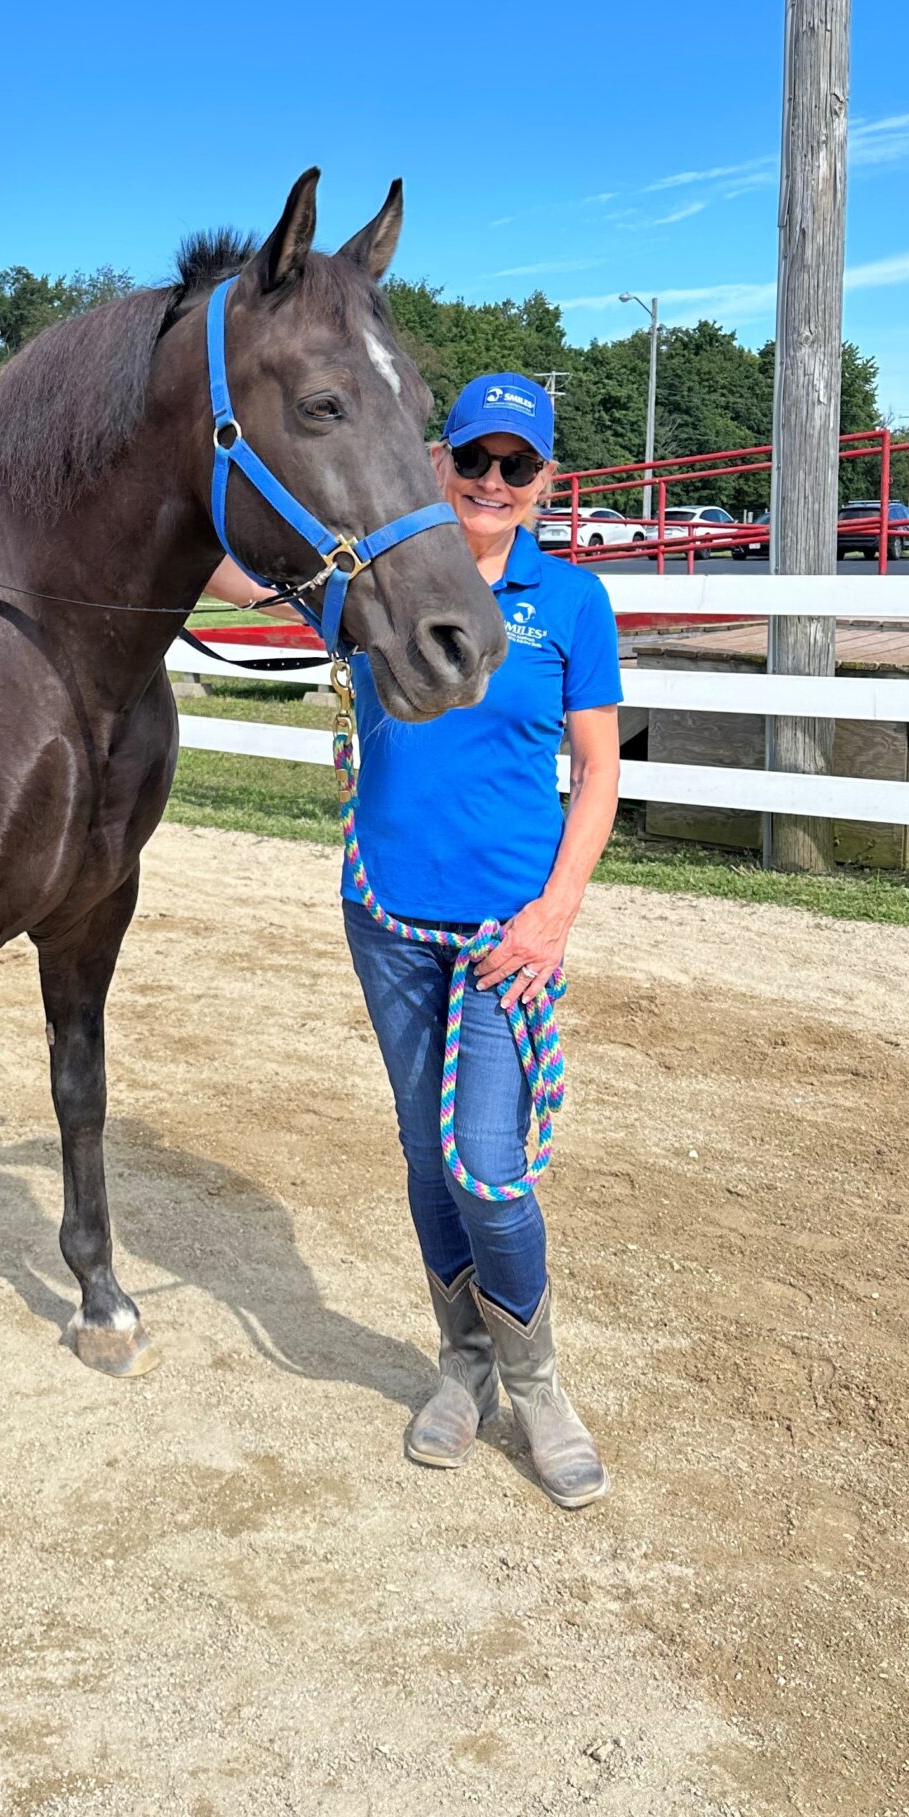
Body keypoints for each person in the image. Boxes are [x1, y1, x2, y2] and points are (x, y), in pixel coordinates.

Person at [214, 371, 622, 1504]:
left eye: (516, 466)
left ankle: (537, 1384)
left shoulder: (571, 601)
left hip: (509, 931)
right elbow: (230, 570)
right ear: (439, 461)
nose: (492, 481)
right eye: (474, 458)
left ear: (543, 482)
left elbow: (598, 772)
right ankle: (463, 1362)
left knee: (487, 1166)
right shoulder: (372, 584)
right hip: (387, 913)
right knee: (424, 1153)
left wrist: (554, 916)